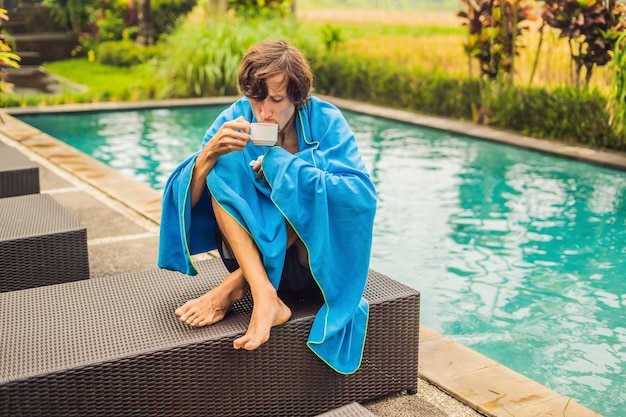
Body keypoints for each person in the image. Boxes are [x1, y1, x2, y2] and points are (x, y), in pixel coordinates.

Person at [158, 40, 377, 374]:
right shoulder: (234, 118)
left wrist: (284, 168)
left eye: (276, 100)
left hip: (312, 264)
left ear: (298, 97)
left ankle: (236, 286)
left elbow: (360, 196)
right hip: (244, 250)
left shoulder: (326, 121)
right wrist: (207, 156)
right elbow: (186, 203)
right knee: (222, 164)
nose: (263, 112)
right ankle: (264, 293)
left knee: (306, 185)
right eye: (256, 99)